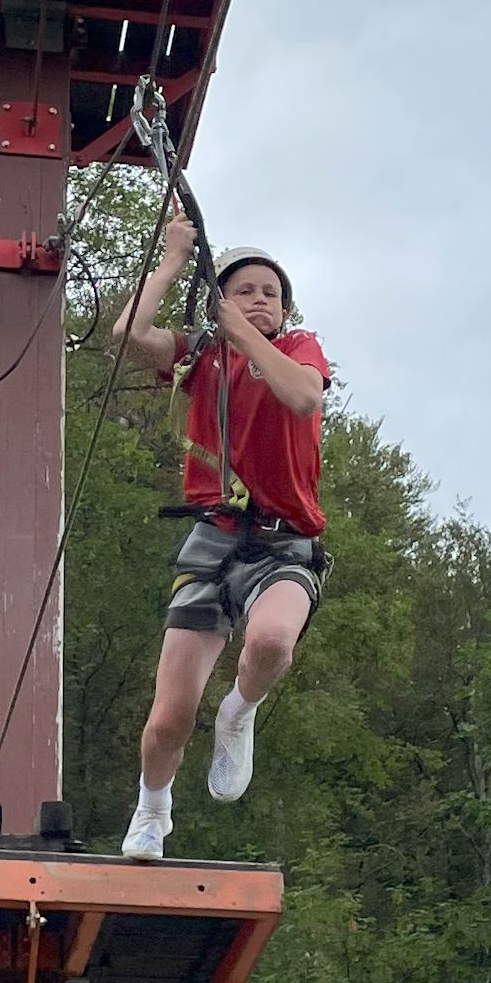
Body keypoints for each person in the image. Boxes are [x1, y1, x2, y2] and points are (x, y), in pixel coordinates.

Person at [114, 216, 329, 862]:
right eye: (245, 291)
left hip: (284, 537)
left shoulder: (299, 349)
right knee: (169, 716)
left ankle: (239, 710)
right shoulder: (201, 355)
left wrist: (245, 334)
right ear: (220, 301)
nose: (260, 299)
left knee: (269, 640)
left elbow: (300, 397)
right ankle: (153, 809)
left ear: (285, 308)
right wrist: (172, 261)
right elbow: (128, 333)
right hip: (215, 534)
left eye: (270, 292)